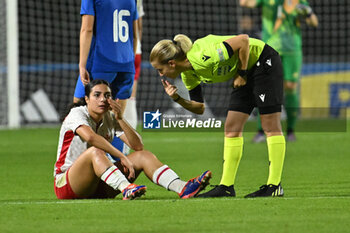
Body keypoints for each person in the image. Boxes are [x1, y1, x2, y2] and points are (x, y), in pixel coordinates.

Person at [150, 34, 285, 198]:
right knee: (231, 128)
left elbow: (243, 40)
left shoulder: (202, 57)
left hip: (262, 61)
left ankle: (274, 186)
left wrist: (242, 73)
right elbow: (199, 108)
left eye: (160, 69)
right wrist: (177, 98)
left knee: (270, 125)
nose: (160, 75)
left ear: (171, 63)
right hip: (243, 70)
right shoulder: (188, 74)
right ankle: (226, 187)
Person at [54, 79, 212, 200]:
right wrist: (122, 157)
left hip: (100, 184)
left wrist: (120, 118)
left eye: (107, 95)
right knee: (95, 151)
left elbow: (138, 146)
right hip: (68, 184)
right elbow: (91, 138)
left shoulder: (109, 117)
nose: (103, 99)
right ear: (87, 99)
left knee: (143, 156)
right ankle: (126, 188)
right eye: (97, 95)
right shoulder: (77, 113)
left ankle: (183, 188)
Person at [240, 0, 319, 142]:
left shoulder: (298, 1)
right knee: (265, 87)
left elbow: (314, 22)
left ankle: (290, 131)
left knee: (290, 87)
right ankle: (261, 131)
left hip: (292, 49)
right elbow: (245, 3)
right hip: (270, 48)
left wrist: (308, 13)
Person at [72, 0, 139, 154]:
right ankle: (118, 167)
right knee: (115, 120)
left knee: (76, 113)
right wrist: (128, 61)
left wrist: (82, 65)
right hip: (126, 64)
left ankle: (75, 169)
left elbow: (87, 29)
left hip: (100, 62)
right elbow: (135, 35)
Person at [123, 0, 145, 154]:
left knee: (112, 100)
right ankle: (127, 148)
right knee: (131, 100)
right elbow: (139, 26)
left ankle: (114, 149)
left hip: (118, 49)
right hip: (135, 49)